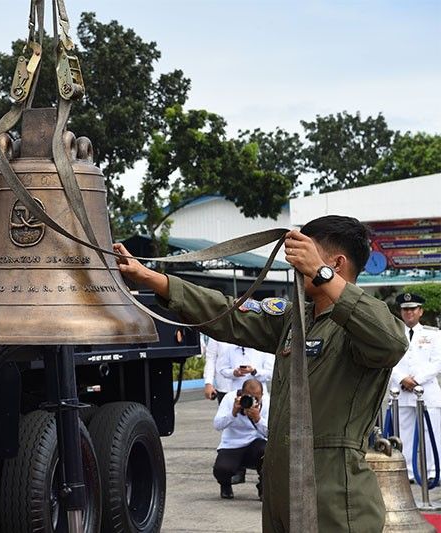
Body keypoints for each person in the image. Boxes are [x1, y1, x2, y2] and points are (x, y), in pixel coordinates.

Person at [113, 215, 408, 533]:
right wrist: (149, 277)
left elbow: (391, 340)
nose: (296, 265)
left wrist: (319, 273)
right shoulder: (295, 318)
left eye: (307, 254)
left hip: (333, 491)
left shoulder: (362, 324)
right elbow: (228, 313)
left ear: (336, 264)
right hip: (282, 484)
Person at [390, 292, 441, 481]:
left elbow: (437, 362)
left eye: (412, 309)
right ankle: (408, 473)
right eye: (405, 310)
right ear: (400, 312)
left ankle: (433, 472)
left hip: (427, 392)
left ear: (421, 311)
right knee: (404, 434)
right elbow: (388, 361)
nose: (409, 313)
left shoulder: (434, 334)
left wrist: (416, 379)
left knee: (432, 434)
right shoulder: (393, 334)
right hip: (401, 393)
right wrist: (402, 378)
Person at [213, 378, 268, 500]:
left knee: (268, 454)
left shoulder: (267, 401)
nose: (253, 401)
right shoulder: (229, 398)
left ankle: (264, 488)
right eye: (249, 397)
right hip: (232, 444)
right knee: (221, 470)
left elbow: (271, 433)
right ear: (241, 394)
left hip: (255, 443)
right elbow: (217, 425)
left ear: (262, 395)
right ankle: (225, 485)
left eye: (256, 398)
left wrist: (258, 419)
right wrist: (233, 413)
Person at [203, 336, 233, 403]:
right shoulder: (216, 333)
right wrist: (208, 383)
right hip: (224, 386)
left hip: (248, 385)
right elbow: (211, 358)